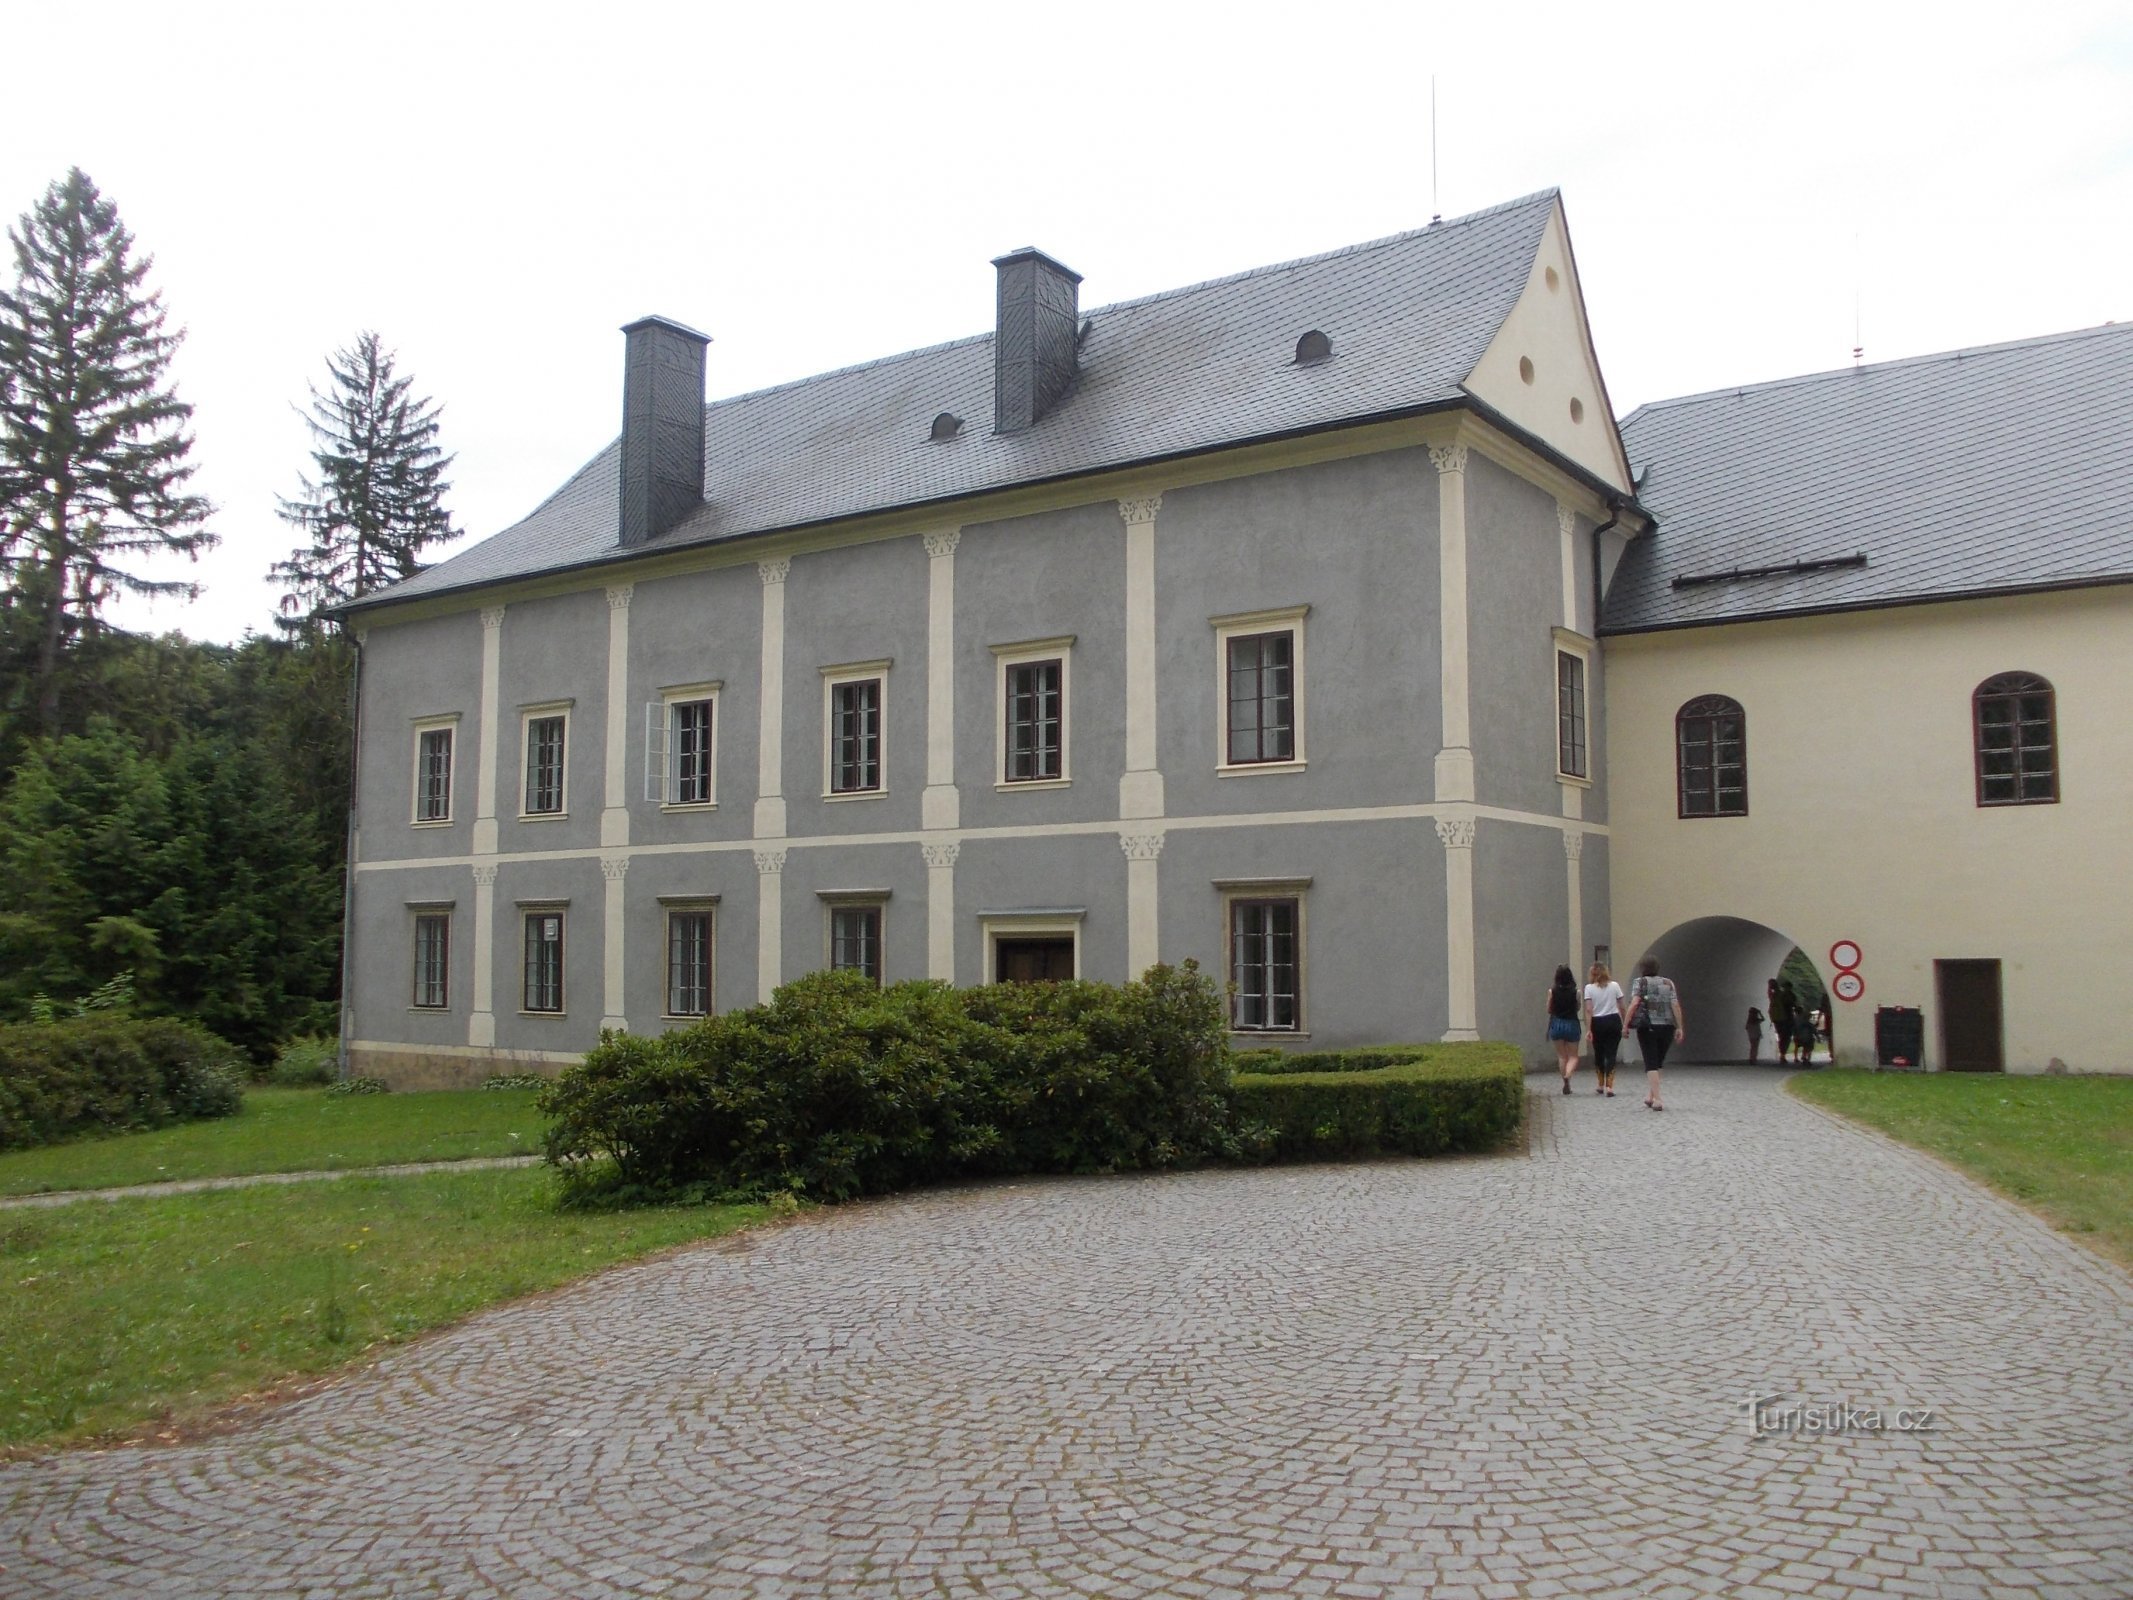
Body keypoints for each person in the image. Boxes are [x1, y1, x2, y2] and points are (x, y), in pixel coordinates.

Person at [1626, 955, 1684, 1110]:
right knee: (1658, 1060)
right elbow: (1675, 1005)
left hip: (1647, 1026)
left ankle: (1658, 1099)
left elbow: (1635, 1003)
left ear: (1642, 968)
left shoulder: (1640, 982)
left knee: (1650, 1061)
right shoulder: (1668, 983)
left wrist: (1625, 1024)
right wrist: (1679, 1027)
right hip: (1667, 1026)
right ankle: (1651, 1096)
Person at [1583, 961, 1626, 1096]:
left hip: (1597, 1022)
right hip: (1613, 1020)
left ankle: (1600, 1084)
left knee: (1599, 1053)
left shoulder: (1589, 988)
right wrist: (1625, 1023)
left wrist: (1589, 1029)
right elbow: (1622, 1006)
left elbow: (1589, 1010)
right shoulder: (1615, 986)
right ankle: (1610, 1086)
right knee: (1611, 1053)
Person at [1546, 964, 1582, 1094]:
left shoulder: (1552, 991)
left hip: (1557, 1023)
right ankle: (1568, 1075)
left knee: (1562, 1056)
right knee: (1573, 1057)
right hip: (1572, 1023)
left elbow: (1549, 1009)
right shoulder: (1576, 992)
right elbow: (1578, 1007)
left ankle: (1565, 1081)